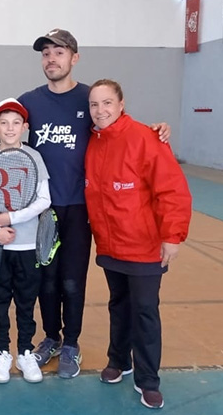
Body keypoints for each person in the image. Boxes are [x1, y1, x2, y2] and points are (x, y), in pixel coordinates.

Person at [17, 28, 171, 379]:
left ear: (74, 57)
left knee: (72, 280)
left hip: (80, 209)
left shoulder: (90, 99)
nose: (51, 58)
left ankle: (71, 342)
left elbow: (119, 127)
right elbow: (4, 129)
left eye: (59, 52)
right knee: (46, 281)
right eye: (46, 53)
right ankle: (51, 338)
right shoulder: (29, 100)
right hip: (42, 210)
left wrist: (155, 131)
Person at [85, 79, 191, 409]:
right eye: (94, 105)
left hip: (144, 247)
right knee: (119, 304)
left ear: (121, 104)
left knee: (145, 311)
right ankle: (119, 360)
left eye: (106, 103)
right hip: (110, 245)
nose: (100, 111)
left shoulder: (146, 138)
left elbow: (172, 190)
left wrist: (172, 236)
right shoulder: (94, 140)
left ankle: (148, 380)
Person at [0, 98, 51, 384]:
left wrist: (11, 219)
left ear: (25, 127)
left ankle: (25, 352)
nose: (10, 128)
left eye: (16, 123)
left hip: (27, 246)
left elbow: (44, 199)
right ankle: (2, 352)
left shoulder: (34, 158)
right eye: (4, 122)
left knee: (26, 302)